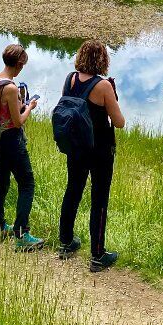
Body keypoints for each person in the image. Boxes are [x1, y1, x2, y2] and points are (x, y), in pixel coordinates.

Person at [57, 40, 125, 273]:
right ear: (103, 60)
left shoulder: (70, 79)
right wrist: (113, 97)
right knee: (99, 199)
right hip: (100, 150)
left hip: (76, 146)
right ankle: (98, 255)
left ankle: (66, 242)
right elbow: (119, 122)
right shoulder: (103, 85)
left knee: (72, 190)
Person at [0, 43, 43, 251]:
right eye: (23, 64)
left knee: (0, 184)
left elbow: (4, 109)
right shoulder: (10, 88)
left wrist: (20, 103)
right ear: (19, 64)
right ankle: (22, 234)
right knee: (27, 184)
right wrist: (29, 107)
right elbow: (18, 121)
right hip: (12, 140)